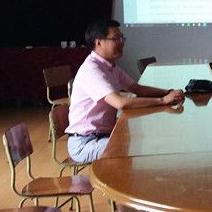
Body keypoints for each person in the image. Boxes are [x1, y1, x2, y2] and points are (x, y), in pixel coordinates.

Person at [66, 19, 185, 163]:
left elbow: (137, 89)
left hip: (104, 136)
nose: (122, 43)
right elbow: (121, 103)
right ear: (99, 42)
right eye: (116, 39)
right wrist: (163, 101)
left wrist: (168, 92)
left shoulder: (110, 66)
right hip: (85, 143)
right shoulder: (92, 69)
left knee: (140, 139)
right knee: (127, 146)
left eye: (122, 38)